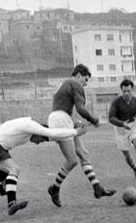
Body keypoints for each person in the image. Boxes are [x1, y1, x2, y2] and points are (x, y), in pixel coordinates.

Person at [0, 117, 88, 216]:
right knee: (14, 169)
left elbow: (52, 131)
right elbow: (52, 133)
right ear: (38, 133)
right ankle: (11, 204)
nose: (37, 143)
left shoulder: (27, 126)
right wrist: (76, 131)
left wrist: (70, 125)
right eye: (41, 140)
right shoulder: (31, 126)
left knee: (7, 188)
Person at [47, 64, 116, 207]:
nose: (86, 83)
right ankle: (54, 188)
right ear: (78, 75)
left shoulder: (66, 83)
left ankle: (97, 188)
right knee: (72, 161)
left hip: (61, 118)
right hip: (60, 120)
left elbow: (62, 106)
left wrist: (72, 122)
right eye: (85, 79)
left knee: (83, 153)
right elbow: (80, 108)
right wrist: (94, 120)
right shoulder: (75, 83)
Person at [108, 78, 136, 179]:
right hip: (120, 129)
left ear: (132, 90)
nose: (126, 93)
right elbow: (111, 118)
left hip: (134, 125)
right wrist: (122, 123)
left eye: (128, 91)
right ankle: (135, 169)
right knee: (126, 154)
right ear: (121, 90)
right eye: (124, 91)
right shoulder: (116, 102)